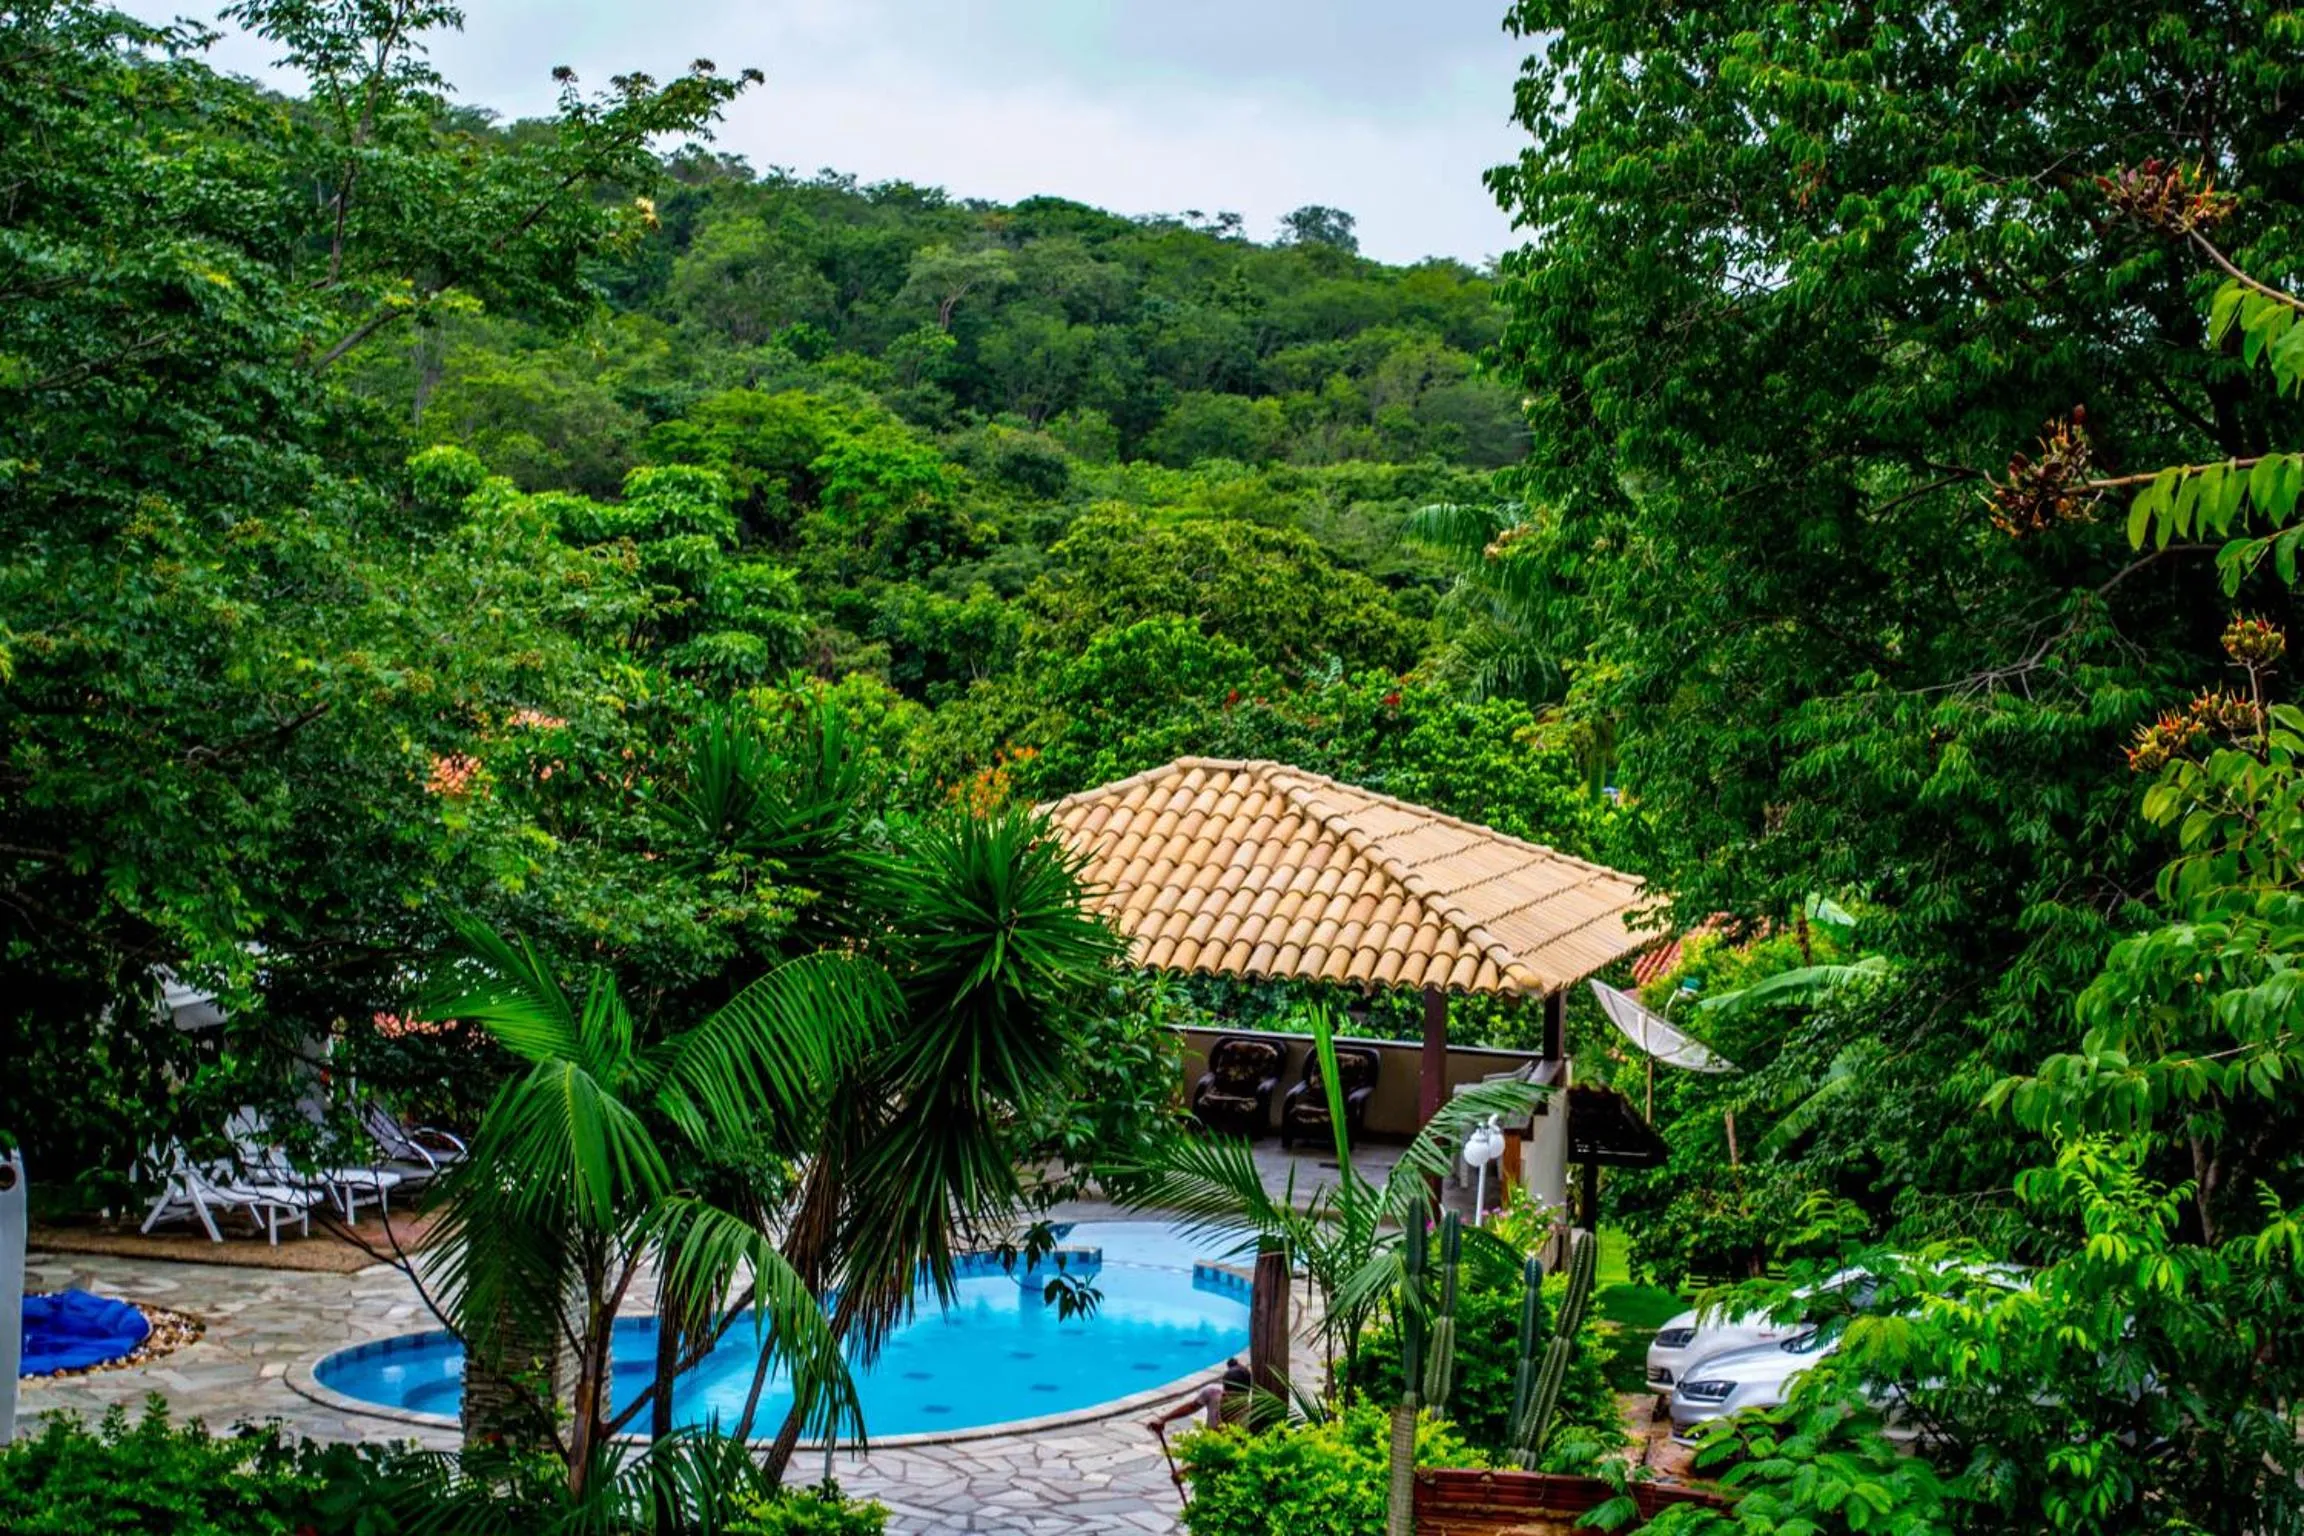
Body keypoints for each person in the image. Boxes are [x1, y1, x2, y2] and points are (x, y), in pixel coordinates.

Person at [1147, 1357, 1255, 1435]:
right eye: (1227, 1394)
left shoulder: (1254, 1407)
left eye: (1237, 1397)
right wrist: (1164, 1419)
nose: (1227, 1398)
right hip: (1209, 1446)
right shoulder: (1212, 1393)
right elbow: (1191, 1407)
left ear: (1246, 1393)